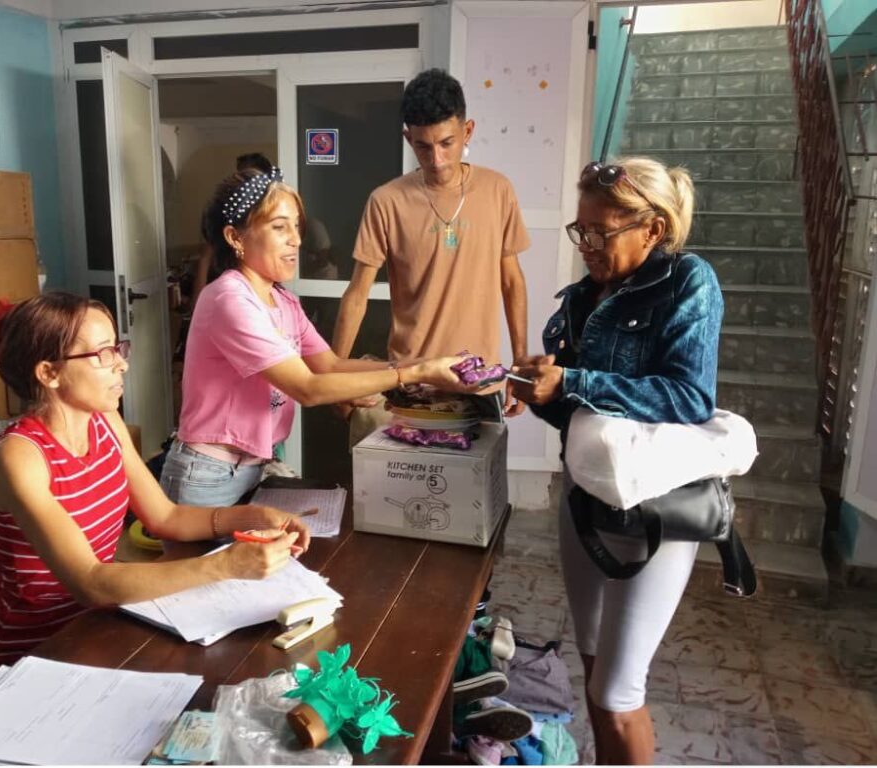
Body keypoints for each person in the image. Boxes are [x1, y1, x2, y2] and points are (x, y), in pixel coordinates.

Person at [0, 292, 312, 682]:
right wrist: (225, 565)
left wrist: (254, 514)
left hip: (102, 628)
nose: (123, 364)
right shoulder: (21, 457)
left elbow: (166, 517)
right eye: (103, 354)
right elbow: (91, 583)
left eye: (117, 348)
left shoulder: (105, 421)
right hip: (32, 652)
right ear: (49, 373)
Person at [510, 157, 721, 765]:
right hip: (585, 505)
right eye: (581, 231)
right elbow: (574, 415)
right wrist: (539, 390)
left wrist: (574, 380)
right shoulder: (580, 299)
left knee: (620, 690)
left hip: (655, 516)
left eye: (599, 232)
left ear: (652, 229)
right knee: (596, 668)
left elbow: (688, 398)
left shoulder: (687, 282)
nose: (586, 246)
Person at [160, 166, 478, 509]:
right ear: (235, 238)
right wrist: (412, 375)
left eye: (296, 226)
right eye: (279, 227)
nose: (296, 239)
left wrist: (422, 364)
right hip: (207, 475)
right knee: (212, 563)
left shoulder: (283, 300)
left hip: (252, 469)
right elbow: (308, 388)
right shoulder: (230, 299)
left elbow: (330, 365)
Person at [332, 67, 531, 431]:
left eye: (446, 143)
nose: (436, 159)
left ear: (467, 131)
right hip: (410, 382)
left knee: (475, 485)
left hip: (479, 380)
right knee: (404, 487)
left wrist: (519, 364)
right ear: (408, 138)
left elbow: (512, 282)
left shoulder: (498, 190)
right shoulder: (386, 201)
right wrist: (333, 377)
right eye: (423, 146)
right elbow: (357, 295)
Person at [191, 152, 276, 305]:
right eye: (239, 176)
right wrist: (199, 303)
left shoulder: (272, 217)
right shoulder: (221, 216)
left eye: (249, 179)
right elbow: (205, 257)